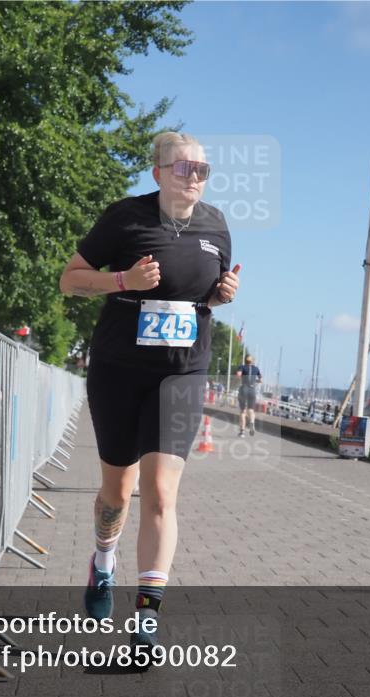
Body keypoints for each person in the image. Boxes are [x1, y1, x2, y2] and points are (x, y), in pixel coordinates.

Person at [59, 132, 240, 655]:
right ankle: (103, 560)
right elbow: (69, 281)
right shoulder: (125, 217)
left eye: (202, 170)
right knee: (117, 493)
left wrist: (220, 295)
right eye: (184, 168)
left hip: (181, 372)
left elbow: (205, 295)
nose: (194, 178)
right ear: (158, 172)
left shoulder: (216, 225)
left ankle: (145, 617)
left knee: (161, 493)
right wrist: (123, 280)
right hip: (118, 368)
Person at [234, 355, 262, 436]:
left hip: (244, 389)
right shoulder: (256, 369)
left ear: (245, 361)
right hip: (252, 390)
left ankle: (242, 432)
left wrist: (241, 377)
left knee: (243, 411)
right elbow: (260, 380)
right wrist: (254, 381)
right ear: (252, 361)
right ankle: (252, 423)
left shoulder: (242, 367)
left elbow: (238, 375)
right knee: (251, 410)